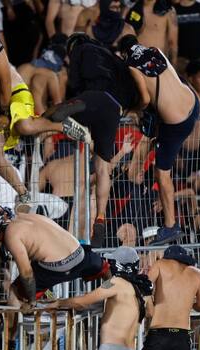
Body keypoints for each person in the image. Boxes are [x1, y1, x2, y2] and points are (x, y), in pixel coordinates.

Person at [0, 25, 90, 210]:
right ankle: (23, 195)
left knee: (24, 127)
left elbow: (4, 82)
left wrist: (5, 113)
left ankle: (63, 126)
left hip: (13, 95)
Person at [51, 33, 139, 246]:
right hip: (115, 110)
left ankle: (69, 127)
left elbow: (75, 82)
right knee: (102, 167)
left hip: (93, 101)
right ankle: (101, 216)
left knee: (52, 115)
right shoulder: (113, 57)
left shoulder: (80, 51)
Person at [118, 35, 200, 245]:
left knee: (162, 173)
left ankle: (171, 226)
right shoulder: (155, 50)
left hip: (176, 123)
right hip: (193, 105)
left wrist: (133, 110)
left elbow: (145, 99)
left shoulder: (131, 65)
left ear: (124, 54)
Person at [0, 202, 107, 309]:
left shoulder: (11, 235)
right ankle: (112, 297)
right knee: (108, 268)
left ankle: (10, 339)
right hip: (80, 254)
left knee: (15, 291)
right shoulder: (24, 217)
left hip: (58, 267)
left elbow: (27, 273)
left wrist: (31, 300)